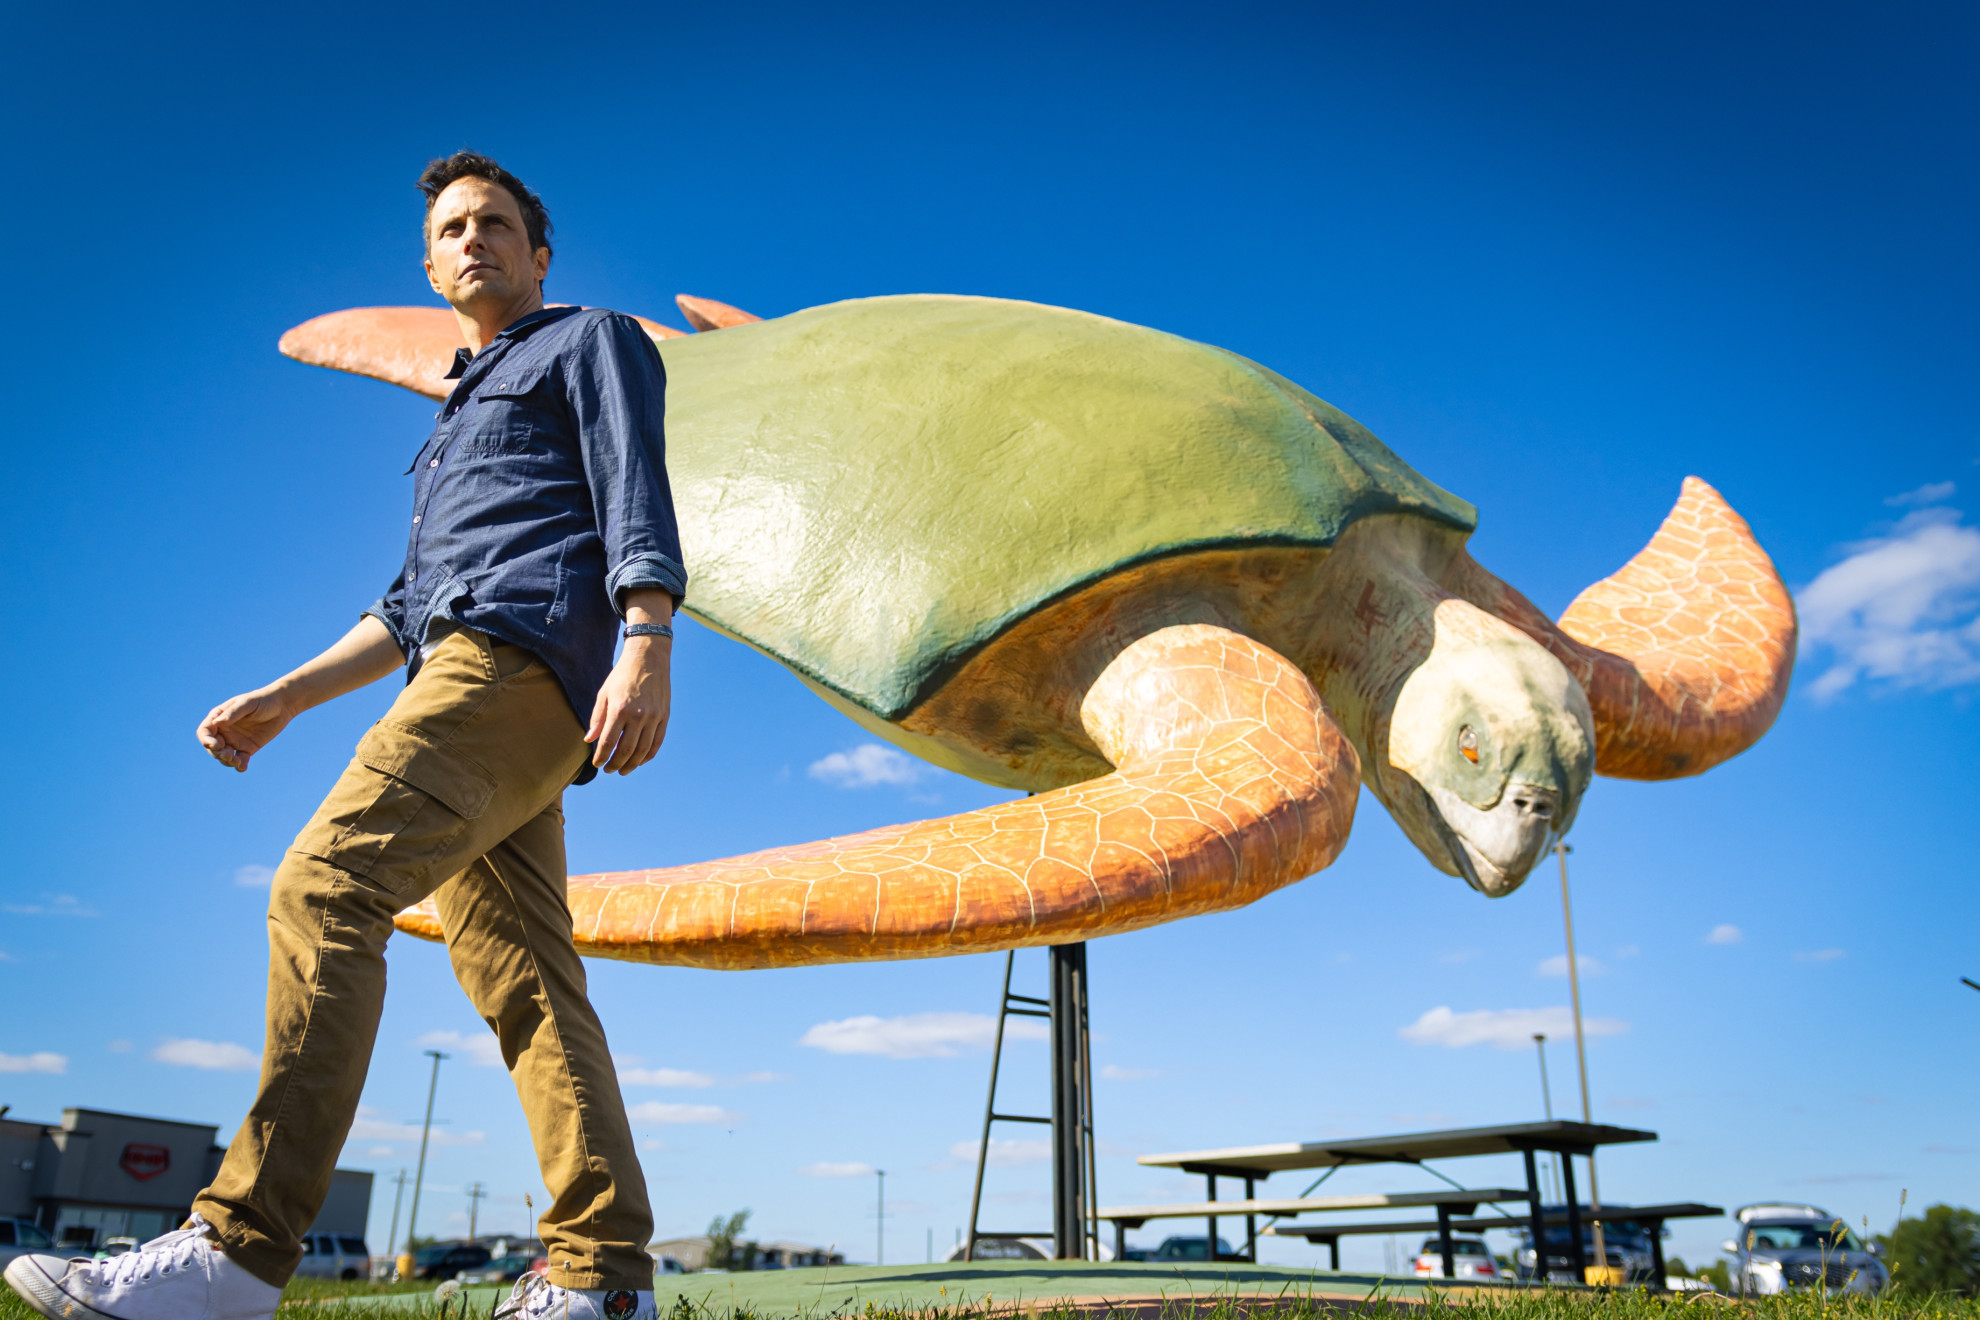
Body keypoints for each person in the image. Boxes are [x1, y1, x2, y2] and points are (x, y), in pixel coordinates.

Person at [4, 152, 684, 1320]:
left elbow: (637, 490)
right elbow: (407, 605)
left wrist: (646, 637)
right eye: (455, 228)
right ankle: (603, 1277)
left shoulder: (589, 342)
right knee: (528, 980)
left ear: (538, 252)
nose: (476, 239)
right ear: (430, 266)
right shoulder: (449, 425)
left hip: (514, 666)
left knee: (324, 889)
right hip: (472, 668)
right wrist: (283, 697)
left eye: (499, 223)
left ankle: (235, 1251)